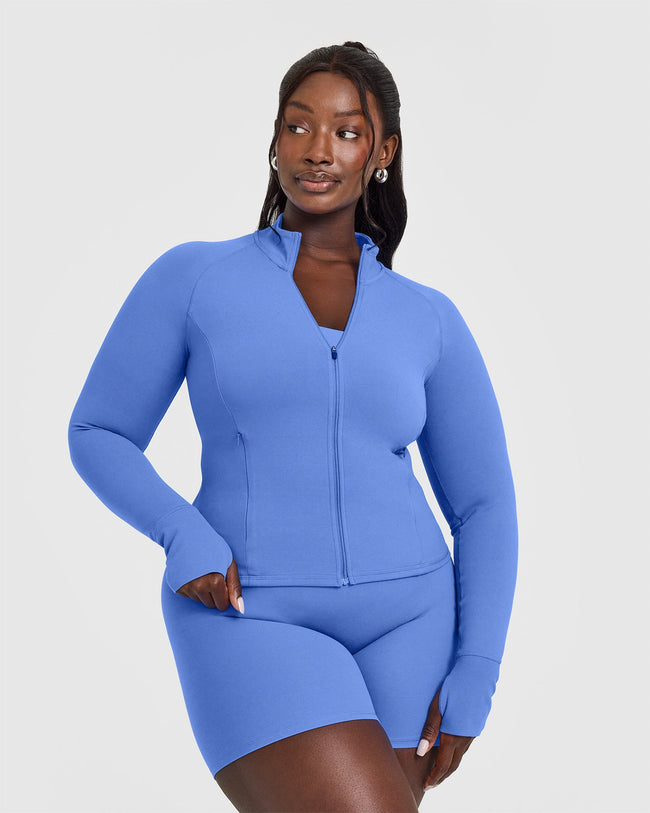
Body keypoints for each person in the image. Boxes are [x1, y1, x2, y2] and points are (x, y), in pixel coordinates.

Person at [68, 41, 518, 812]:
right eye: (298, 125)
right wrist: (183, 532)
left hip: (411, 619)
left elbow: (483, 505)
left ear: (382, 152)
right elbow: (99, 430)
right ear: (274, 138)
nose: (317, 150)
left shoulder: (428, 317)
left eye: (346, 131)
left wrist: (477, 665)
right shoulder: (195, 277)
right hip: (246, 610)